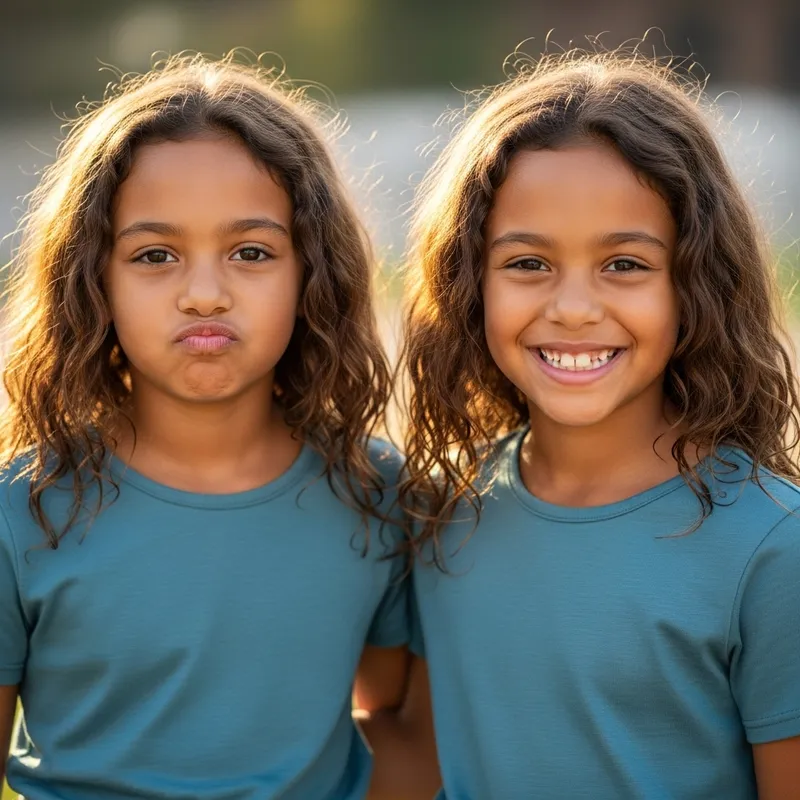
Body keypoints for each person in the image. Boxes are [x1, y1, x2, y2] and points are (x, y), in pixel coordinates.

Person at [0, 53, 411, 800]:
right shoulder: (18, 509)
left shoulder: (376, 494)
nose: (204, 293)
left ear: (311, 271)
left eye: (250, 252)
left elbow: (392, 715)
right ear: (93, 278)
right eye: (155, 255)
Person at [400, 50, 800, 799]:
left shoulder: (774, 547)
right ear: (467, 282)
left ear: (696, 282)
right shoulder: (442, 514)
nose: (574, 308)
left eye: (624, 265)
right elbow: (416, 757)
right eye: (527, 264)